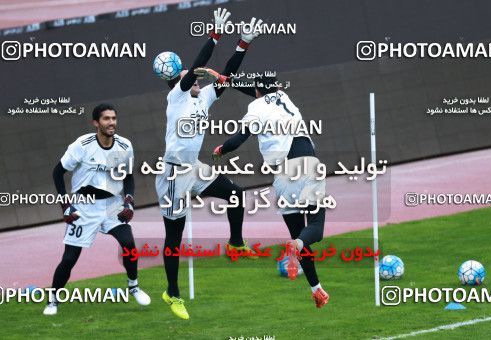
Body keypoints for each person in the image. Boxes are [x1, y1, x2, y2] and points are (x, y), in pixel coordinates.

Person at [155, 8, 263, 319]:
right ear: (179, 82)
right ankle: (172, 293)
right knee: (174, 236)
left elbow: (225, 74)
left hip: (194, 168)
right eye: (192, 79)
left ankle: (236, 244)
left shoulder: (203, 98)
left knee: (235, 194)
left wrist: (243, 43)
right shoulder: (176, 96)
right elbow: (195, 69)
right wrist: (214, 35)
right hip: (174, 174)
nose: (200, 80)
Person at [210, 74, 330, 308]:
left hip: (283, 176)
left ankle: (316, 289)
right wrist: (228, 80)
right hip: (307, 165)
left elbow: (238, 139)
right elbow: (257, 91)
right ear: (275, 88)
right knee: (313, 228)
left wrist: (221, 149)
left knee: (299, 235)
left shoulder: (255, 107)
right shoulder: (284, 96)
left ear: (257, 91)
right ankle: (296, 246)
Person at [44, 103, 150, 315]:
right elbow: (58, 172)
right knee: (69, 258)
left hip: (112, 204)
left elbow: (128, 176)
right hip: (85, 205)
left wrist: (128, 201)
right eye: (106, 119)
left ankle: (133, 286)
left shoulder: (124, 145)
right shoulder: (82, 145)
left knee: (128, 243)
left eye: (113, 118)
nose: (111, 122)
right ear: (96, 123)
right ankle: (53, 300)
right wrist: (65, 204)